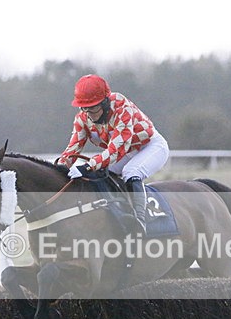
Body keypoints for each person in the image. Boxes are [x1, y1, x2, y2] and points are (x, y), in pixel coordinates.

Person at [57, 74, 169, 234]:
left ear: (105, 102)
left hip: (150, 147)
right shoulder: (82, 118)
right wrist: (61, 167)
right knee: (98, 173)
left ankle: (140, 222)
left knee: (131, 172)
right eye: (84, 108)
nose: (89, 114)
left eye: (93, 107)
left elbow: (116, 150)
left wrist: (88, 166)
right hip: (125, 151)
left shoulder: (122, 109)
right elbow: (72, 150)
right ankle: (115, 214)